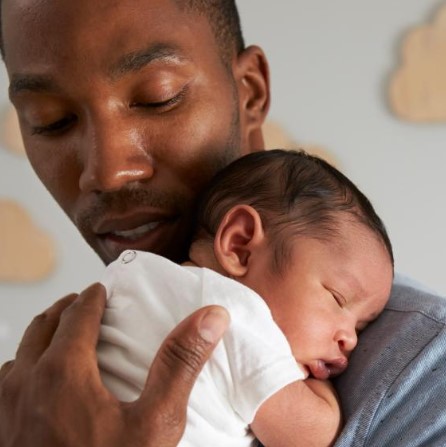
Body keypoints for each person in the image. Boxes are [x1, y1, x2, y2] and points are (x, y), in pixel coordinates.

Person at [0, 1, 445, 446]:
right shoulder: (43, 384)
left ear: (249, 92)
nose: (107, 171)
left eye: (159, 97)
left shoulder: (427, 376)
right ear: (238, 242)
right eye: (51, 121)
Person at [98, 149, 394, 446]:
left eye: (360, 328)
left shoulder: (132, 278)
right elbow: (312, 436)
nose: (351, 341)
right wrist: (322, 389)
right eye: (338, 298)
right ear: (240, 246)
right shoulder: (237, 314)